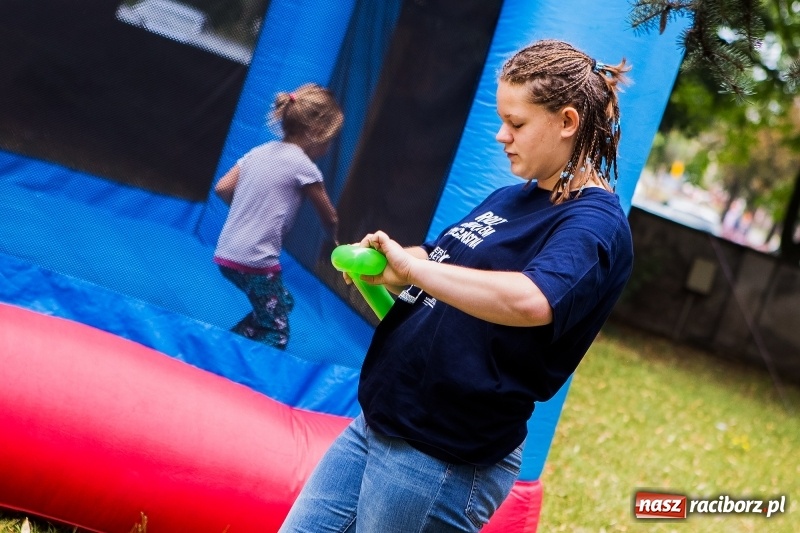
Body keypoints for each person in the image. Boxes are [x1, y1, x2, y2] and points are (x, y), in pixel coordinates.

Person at [279, 39, 634, 532]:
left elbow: (530, 300)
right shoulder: (511, 198)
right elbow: (446, 260)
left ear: (567, 122)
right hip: (381, 422)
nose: (500, 136)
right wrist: (396, 264)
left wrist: (417, 270)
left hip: (442, 456)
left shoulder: (593, 224)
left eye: (517, 123)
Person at [214, 83, 343, 350]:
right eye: (330, 139)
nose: (330, 147)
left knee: (282, 303)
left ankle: (229, 343)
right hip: (256, 262)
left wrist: (248, 212)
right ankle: (235, 369)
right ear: (316, 132)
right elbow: (329, 216)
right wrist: (334, 240)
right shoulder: (305, 167)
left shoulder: (259, 152)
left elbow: (223, 187)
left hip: (227, 255)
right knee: (277, 333)